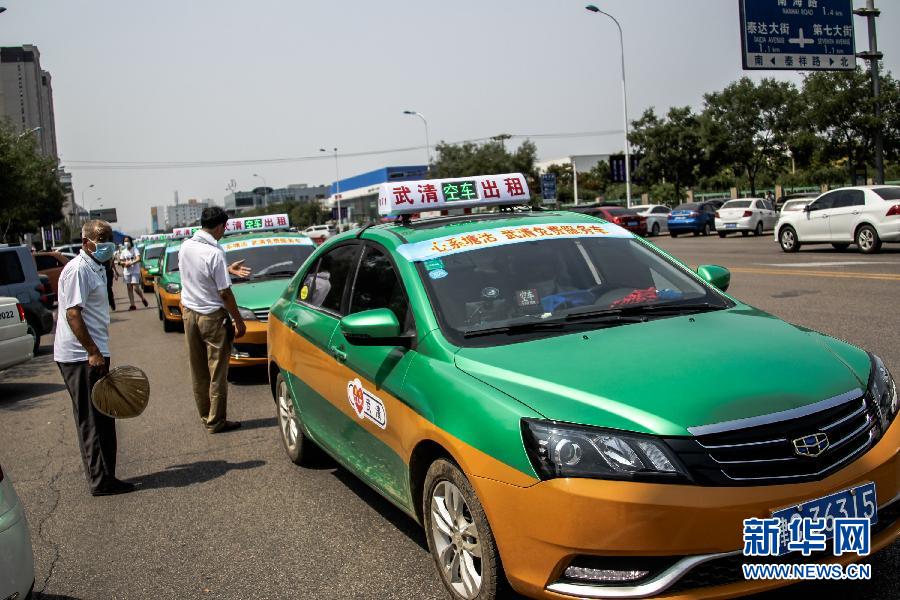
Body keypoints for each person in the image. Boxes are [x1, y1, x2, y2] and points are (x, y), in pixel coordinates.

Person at [54, 220, 136, 496]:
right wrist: (92, 352)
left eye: (109, 238)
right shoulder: (77, 270)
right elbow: (72, 314)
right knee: (91, 418)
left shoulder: (97, 266)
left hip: (94, 353)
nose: (107, 243)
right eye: (101, 239)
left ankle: (107, 475)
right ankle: (101, 481)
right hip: (80, 356)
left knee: (104, 414)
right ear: (86, 241)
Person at [179, 207, 251, 433]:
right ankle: (216, 421)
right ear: (220, 226)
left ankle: (206, 416)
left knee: (198, 371)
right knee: (218, 372)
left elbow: (199, 274)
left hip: (189, 315)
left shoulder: (186, 246)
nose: (224, 232)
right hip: (212, 318)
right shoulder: (215, 253)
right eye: (225, 228)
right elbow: (224, 293)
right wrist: (239, 321)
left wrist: (227, 269)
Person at [118, 236, 148, 311]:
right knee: (129, 288)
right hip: (127, 272)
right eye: (125, 241)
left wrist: (131, 263)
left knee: (135, 288)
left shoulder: (135, 249)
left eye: (127, 241)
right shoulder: (123, 251)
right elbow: (120, 261)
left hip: (135, 271)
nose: (126, 243)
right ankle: (132, 305)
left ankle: (142, 298)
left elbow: (138, 258)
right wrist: (124, 263)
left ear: (130, 242)